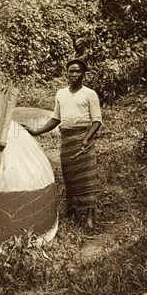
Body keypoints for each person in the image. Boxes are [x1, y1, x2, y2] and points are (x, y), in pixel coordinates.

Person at [22, 59, 102, 229]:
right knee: (70, 175)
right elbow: (55, 119)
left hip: (83, 138)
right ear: (66, 73)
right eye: (71, 71)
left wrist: (86, 139)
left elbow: (96, 121)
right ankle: (72, 210)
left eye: (77, 71)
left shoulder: (90, 94)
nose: (73, 74)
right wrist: (36, 131)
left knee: (88, 178)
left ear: (83, 74)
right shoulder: (61, 93)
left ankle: (90, 216)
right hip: (67, 139)